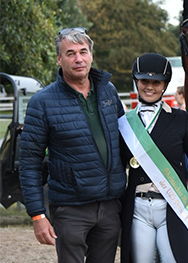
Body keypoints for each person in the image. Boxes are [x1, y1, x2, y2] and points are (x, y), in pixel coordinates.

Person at [19, 27, 127, 263]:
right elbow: (29, 162)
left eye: (83, 51)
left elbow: (127, 143)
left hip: (110, 207)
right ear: (59, 58)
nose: (78, 59)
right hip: (71, 209)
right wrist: (37, 214)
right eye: (70, 53)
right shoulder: (42, 102)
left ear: (91, 55)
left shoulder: (109, 92)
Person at [118, 53, 188, 263]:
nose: (149, 87)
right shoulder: (125, 124)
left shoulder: (181, 119)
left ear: (164, 85)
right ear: (136, 82)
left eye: (156, 82)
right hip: (138, 209)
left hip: (171, 207)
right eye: (144, 81)